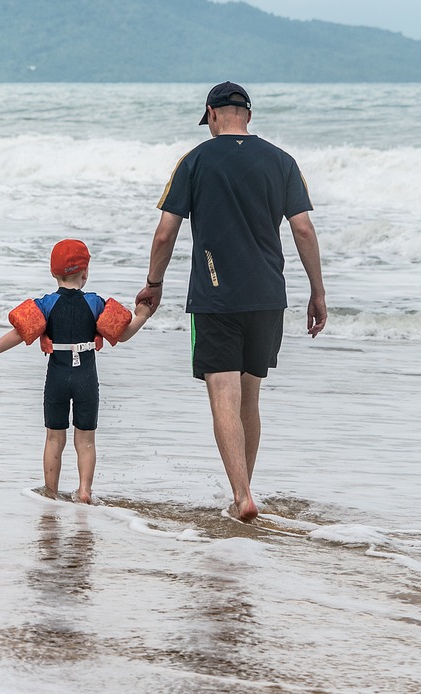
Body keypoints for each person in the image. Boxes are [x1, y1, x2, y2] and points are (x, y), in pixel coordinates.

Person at [137, 81, 327, 522]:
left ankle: (241, 495)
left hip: (214, 297)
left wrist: (153, 283)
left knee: (223, 396)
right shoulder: (282, 161)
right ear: (248, 114)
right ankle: (245, 490)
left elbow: (165, 232)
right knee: (250, 399)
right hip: (267, 298)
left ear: (212, 114)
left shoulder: (196, 160)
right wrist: (317, 291)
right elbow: (303, 230)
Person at [0, 239, 152, 504]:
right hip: (86, 378)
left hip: (57, 378)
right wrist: (143, 313)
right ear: (85, 273)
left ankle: (50, 492)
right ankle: (84, 491)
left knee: (54, 438)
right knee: (85, 440)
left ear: (53, 273)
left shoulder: (45, 305)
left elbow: (17, 335)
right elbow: (124, 334)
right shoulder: (96, 303)